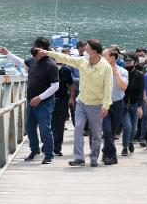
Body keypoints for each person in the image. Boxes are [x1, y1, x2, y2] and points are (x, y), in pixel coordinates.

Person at [37, 39, 113, 167]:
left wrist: (106, 106)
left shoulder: (106, 67)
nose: (84, 51)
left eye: (87, 50)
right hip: (81, 102)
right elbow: (65, 58)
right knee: (78, 129)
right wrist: (48, 53)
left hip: (96, 105)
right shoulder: (82, 61)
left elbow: (108, 88)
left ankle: (94, 158)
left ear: (94, 52)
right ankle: (79, 158)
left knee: (96, 134)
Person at [0, 37, 59, 164]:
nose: (32, 48)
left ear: (41, 49)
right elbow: (21, 63)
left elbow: (55, 86)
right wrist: (8, 53)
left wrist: (40, 97)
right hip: (31, 101)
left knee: (45, 129)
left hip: (45, 102)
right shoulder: (33, 61)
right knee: (30, 127)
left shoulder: (51, 65)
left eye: (34, 46)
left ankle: (49, 155)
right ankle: (35, 150)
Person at [101, 48, 128, 165]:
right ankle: (112, 156)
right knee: (106, 131)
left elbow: (123, 87)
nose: (102, 58)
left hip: (117, 104)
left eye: (104, 56)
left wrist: (115, 72)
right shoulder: (100, 70)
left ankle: (106, 151)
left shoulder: (123, 71)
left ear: (112, 58)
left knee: (112, 132)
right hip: (104, 104)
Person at [51, 48, 75, 156]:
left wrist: (71, 98)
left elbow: (71, 85)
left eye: (60, 62)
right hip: (49, 100)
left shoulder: (66, 70)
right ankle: (48, 145)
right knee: (50, 125)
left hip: (62, 100)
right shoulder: (49, 69)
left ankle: (57, 147)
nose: (58, 64)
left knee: (60, 125)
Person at [122, 52, 144, 156]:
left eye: (130, 61)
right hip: (123, 104)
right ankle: (125, 147)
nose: (127, 63)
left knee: (134, 127)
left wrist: (140, 106)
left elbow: (140, 91)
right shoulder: (122, 72)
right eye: (126, 61)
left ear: (135, 62)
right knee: (128, 126)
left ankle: (130, 141)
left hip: (135, 104)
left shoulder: (140, 75)